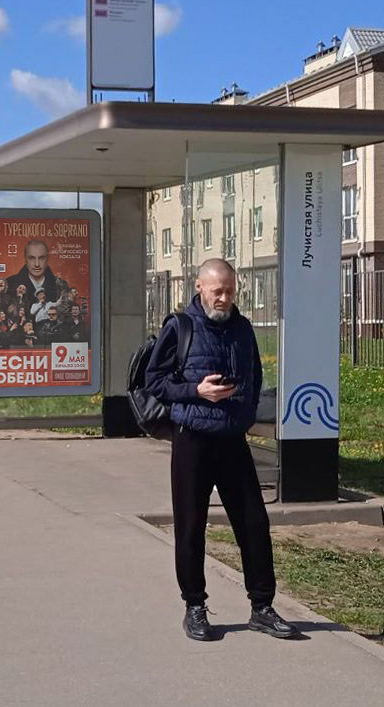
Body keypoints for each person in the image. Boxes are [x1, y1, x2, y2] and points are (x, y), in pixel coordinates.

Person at [143, 258, 295, 643]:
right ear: (199, 288)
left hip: (231, 440)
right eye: (217, 291)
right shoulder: (181, 327)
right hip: (192, 439)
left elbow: (254, 374)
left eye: (230, 291)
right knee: (191, 526)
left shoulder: (242, 328)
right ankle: (195, 607)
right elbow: (154, 381)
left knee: (254, 523)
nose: (224, 298)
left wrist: (244, 413)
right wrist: (196, 391)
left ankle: (262, 607)